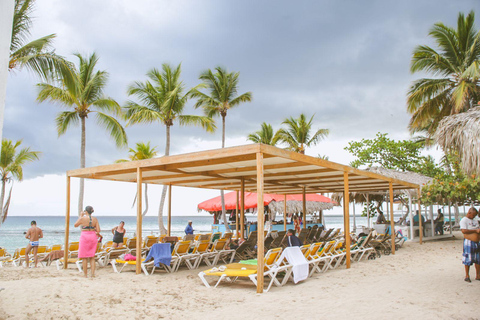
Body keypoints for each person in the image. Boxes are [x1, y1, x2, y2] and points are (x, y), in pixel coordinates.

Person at [74, 206, 101, 278]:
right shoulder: (95, 219)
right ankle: (92, 274)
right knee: (92, 256)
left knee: (84, 257)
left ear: (86, 211)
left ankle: (85, 275)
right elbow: (98, 230)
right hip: (92, 236)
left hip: (85, 236)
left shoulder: (82, 218)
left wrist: (80, 216)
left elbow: (75, 225)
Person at [459, 207, 480, 282]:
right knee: (468, 258)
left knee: (478, 259)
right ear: (469, 213)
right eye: (473, 215)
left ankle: (478, 275)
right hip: (469, 241)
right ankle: (467, 275)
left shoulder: (475, 220)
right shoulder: (464, 220)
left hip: (477, 242)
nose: (474, 216)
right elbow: (464, 231)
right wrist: (475, 230)